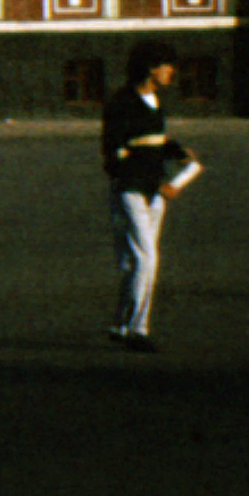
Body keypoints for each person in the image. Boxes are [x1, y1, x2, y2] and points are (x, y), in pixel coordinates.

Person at [101, 40, 198, 353]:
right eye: (166, 65)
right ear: (150, 68)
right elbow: (115, 154)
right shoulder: (122, 103)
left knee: (137, 262)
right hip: (131, 190)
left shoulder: (155, 101)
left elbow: (155, 140)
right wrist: (153, 181)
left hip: (154, 191)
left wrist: (179, 152)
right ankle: (137, 329)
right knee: (147, 258)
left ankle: (120, 325)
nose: (171, 71)